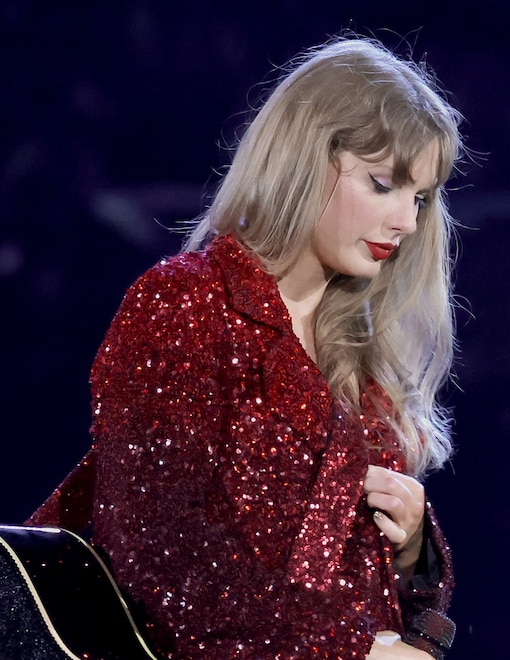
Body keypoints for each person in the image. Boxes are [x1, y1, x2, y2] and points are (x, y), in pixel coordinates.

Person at [29, 37, 463, 659]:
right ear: (305, 159)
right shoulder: (185, 305)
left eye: (419, 197)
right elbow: (160, 559)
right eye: (383, 184)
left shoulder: (362, 348)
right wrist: (349, 652)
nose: (408, 221)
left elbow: (361, 589)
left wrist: (413, 551)